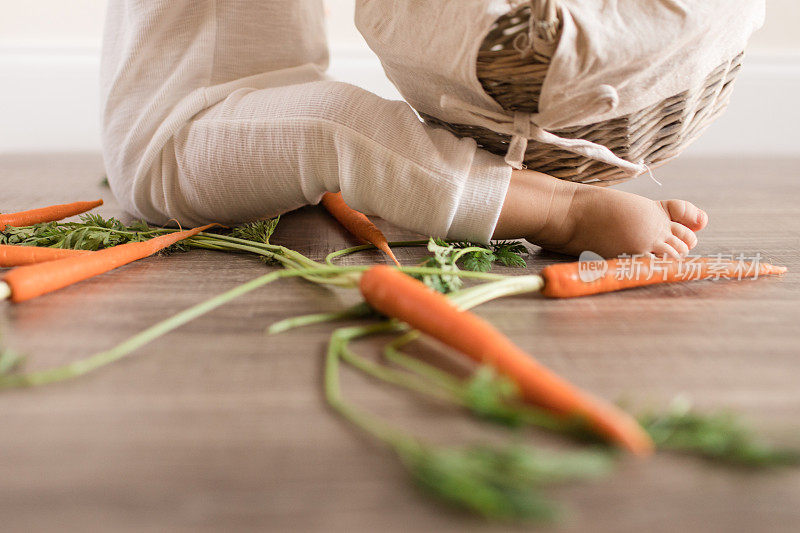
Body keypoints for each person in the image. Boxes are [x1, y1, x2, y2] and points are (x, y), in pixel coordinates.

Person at [101, 0, 707, 260]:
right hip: (174, 142)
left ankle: (492, 189)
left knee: (363, 126)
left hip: (253, 102)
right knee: (341, 124)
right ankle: (562, 211)